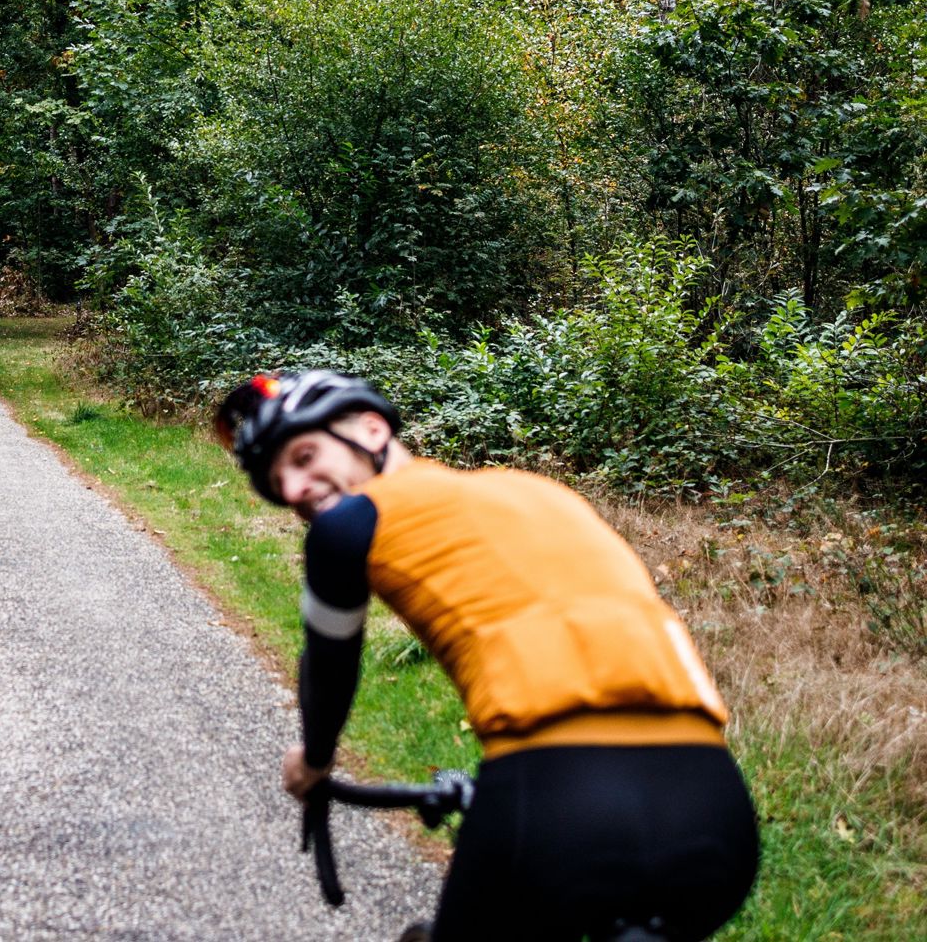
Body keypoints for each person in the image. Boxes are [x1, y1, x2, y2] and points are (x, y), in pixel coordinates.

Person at [216, 370, 757, 941]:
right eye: (280, 483)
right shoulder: (541, 491)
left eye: (303, 457)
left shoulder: (349, 525)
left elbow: (329, 667)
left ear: (373, 430)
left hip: (557, 803)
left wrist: (315, 761)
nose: (296, 489)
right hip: (716, 813)